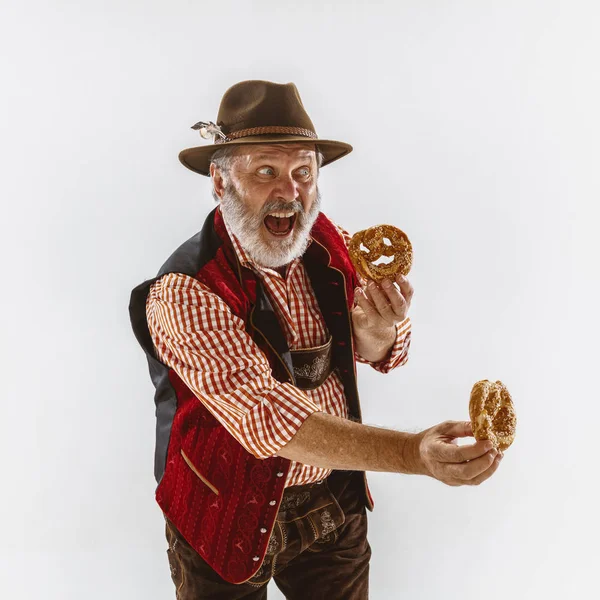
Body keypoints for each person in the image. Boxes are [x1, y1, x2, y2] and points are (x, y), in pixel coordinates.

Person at [128, 80, 503, 599]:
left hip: (333, 503)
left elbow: (380, 348)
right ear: (219, 180)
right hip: (224, 511)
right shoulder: (184, 292)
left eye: (302, 171)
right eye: (266, 171)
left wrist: (377, 331)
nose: (290, 192)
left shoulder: (332, 242)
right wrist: (414, 454)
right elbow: (269, 421)